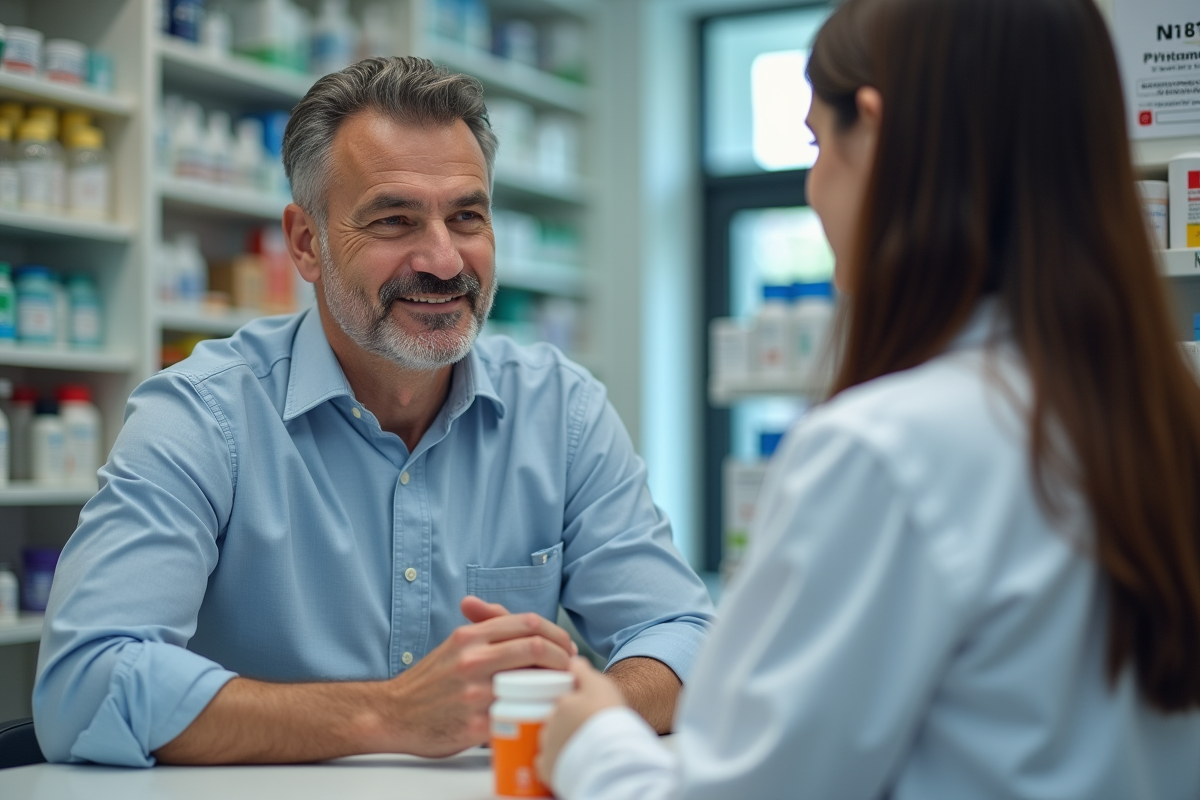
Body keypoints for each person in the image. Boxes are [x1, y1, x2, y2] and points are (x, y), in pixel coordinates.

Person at [537, 0, 1200, 798]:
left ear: (877, 135)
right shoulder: (1162, 425)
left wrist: (592, 739)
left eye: (819, 143)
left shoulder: (889, 450)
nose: (815, 186)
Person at [33, 57, 714, 767]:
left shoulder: (560, 409)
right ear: (306, 243)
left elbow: (683, 632)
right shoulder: (204, 416)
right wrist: (387, 715)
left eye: (467, 216)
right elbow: (83, 687)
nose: (446, 260)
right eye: (395, 220)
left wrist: (586, 711)